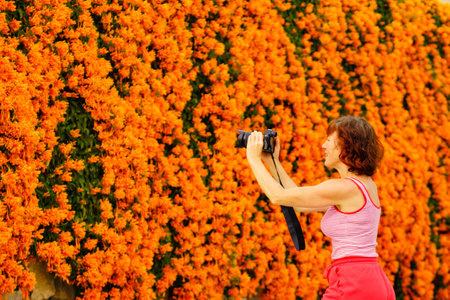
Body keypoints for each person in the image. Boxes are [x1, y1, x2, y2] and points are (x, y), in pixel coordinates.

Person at [245, 116, 395, 299]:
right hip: (370, 279)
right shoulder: (362, 185)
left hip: (353, 282)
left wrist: (253, 159)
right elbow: (297, 202)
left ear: (345, 145)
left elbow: (278, 196)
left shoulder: (344, 188)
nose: (323, 146)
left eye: (329, 140)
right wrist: (271, 162)